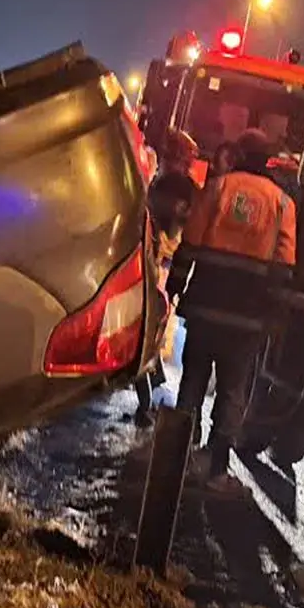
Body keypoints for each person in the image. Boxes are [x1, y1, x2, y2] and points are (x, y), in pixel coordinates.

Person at [166, 129, 297, 494]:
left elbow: (188, 244)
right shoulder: (283, 205)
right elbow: (284, 271)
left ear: (239, 155)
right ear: (269, 159)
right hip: (247, 320)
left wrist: (174, 286)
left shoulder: (217, 189)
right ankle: (217, 469)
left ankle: (174, 459)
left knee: (192, 381)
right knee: (232, 391)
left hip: (206, 309)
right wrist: (274, 318)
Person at [132, 130, 201, 426]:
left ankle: (148, 397)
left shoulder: (173, 186)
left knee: (148, 331)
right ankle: (149, 394)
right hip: (160, 263)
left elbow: (169, 228)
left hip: (159, 264)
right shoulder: (186, 188)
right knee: (149, 332)